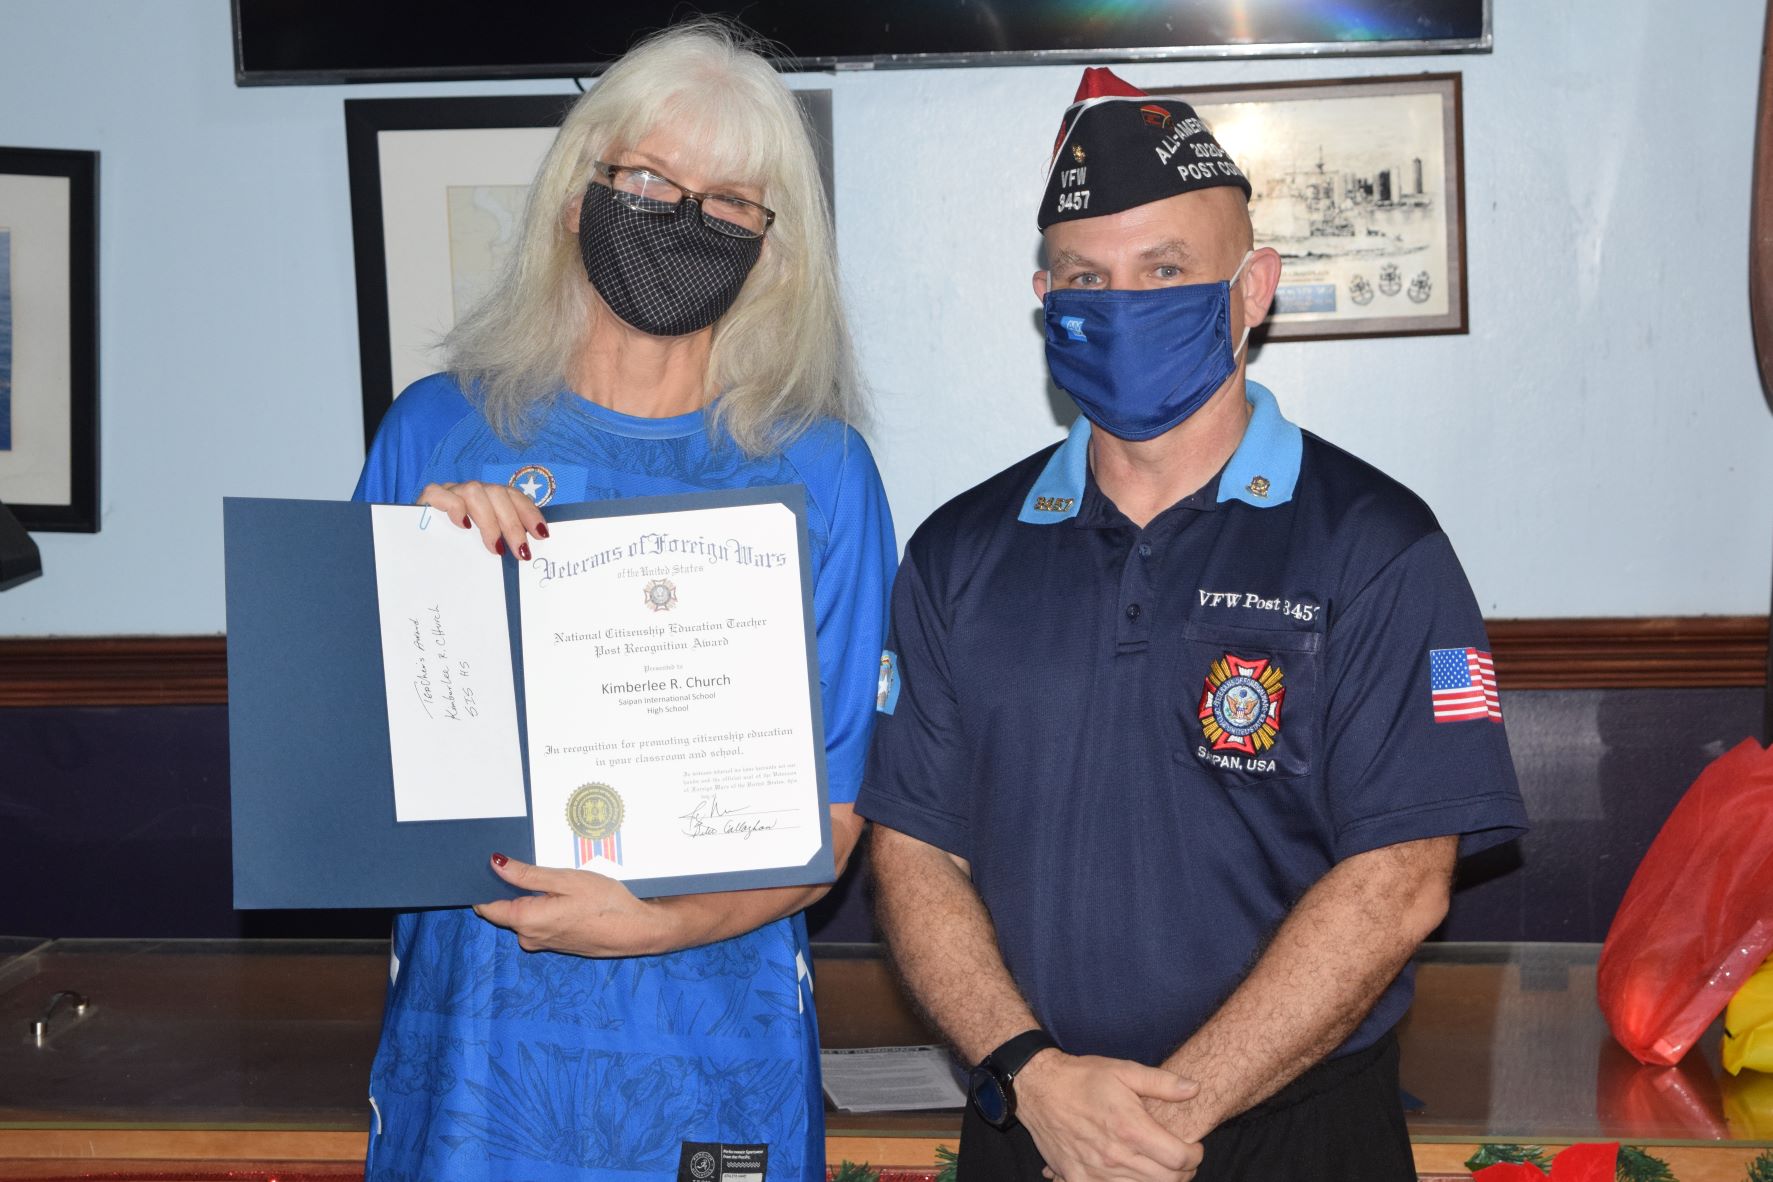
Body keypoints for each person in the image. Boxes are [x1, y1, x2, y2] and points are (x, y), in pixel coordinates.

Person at [857, 66, 1529, 1182]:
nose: (1122, 304)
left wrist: (1154, 1125)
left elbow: (1401, 880)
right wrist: (1033, 1076)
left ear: (1252, 288)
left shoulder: (1376, 545)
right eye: (1087, 276)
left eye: (1165, 270)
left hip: (1294, 1138)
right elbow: (916, 848)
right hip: (1033, 1124)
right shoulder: (957, 554)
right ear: (1045, 296)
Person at [352, 21, 895, 1181]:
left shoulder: (826, 474)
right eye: (648, 180)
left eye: (729, 201)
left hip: (713, 1045)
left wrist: (657, 924)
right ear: (574, 194)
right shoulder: (437, 432)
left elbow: (833, 817)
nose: (683, 219)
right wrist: (432, 577)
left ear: (771, 246)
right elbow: (347, 775)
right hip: (481, 1051)